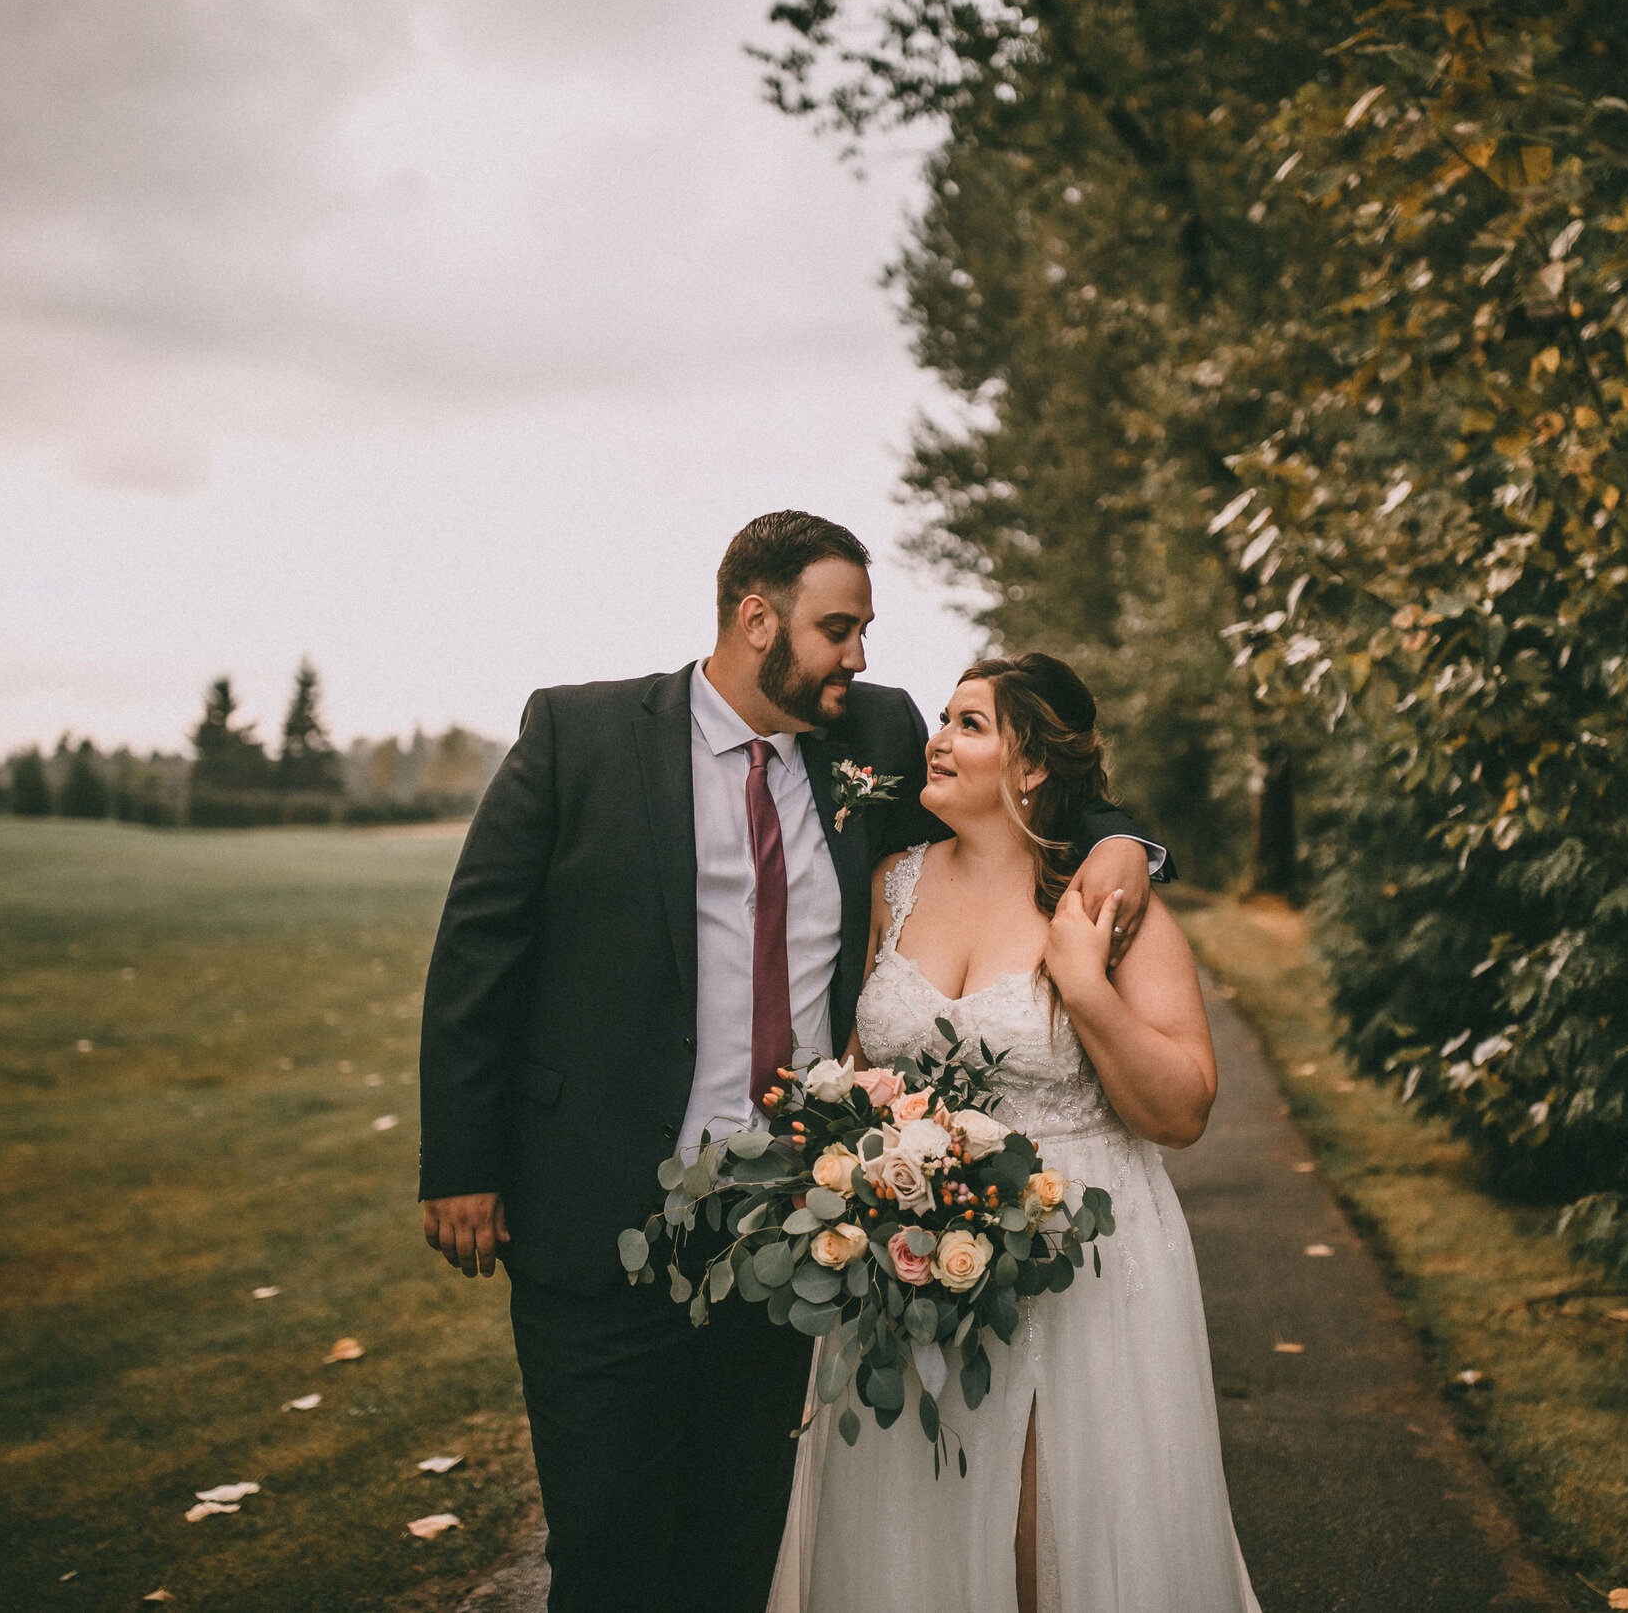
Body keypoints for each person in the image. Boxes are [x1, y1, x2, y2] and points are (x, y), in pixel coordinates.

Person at [416, 513, 1170, 1613]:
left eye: (864, 630)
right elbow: (479, 951)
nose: (859, 656)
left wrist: (1122, 840)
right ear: (755, 618)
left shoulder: (870, 730)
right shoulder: (581, 734)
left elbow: (1031, 793)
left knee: (740, 1542)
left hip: (789, 1226)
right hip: (600, 1211)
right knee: (613, 1549)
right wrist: (459, 1160)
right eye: (837, 627)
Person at [768, 652, 1260, 1613]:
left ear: (1032, 766)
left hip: (1082, 1262)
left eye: (969, 724)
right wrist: (850, 1164)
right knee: (917, 1522)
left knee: (1057, 1534)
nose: (936, 740)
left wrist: (1083, 987)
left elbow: (1184, 1108)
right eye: (942, 719)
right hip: (909, 1253)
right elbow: (867, 1064)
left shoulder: (1105, 904)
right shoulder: (893, 882)